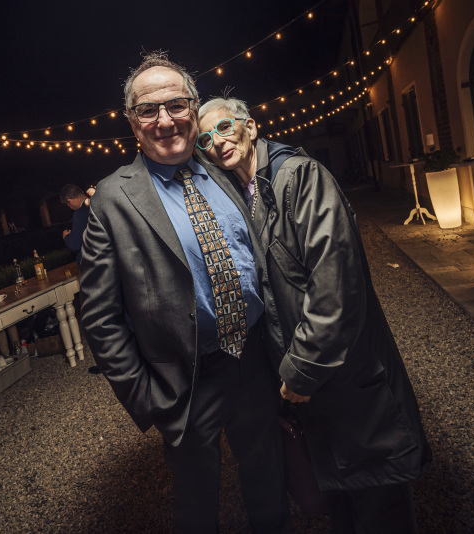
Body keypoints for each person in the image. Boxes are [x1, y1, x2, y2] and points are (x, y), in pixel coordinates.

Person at [197, 96, 432, 533]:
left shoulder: (300, 176)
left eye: (224, 127)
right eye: (205, 139)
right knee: (344, 500)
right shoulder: (246, 193)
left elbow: (335, 288)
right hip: (315, 388)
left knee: (379, 500)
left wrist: (301, 371)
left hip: (344, 374)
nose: (217, 141)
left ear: (250, 126)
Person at [79, 53, 289, 533]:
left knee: (268, 483)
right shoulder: (113, 198)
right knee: (197, 506)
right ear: (132, 122)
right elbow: (99, 316)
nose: (165, 120)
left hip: (255, 360)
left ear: (194, 108)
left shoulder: (223, 169)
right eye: (148, 110)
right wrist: (146, 396)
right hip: (186, 381)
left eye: (176, 105)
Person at [59, 184, 90, 265]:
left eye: (68, 205)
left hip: (92, 264)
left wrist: (66, 236)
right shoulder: (97, 203)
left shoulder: (80, 213)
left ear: (70, 201)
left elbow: (74, 244)